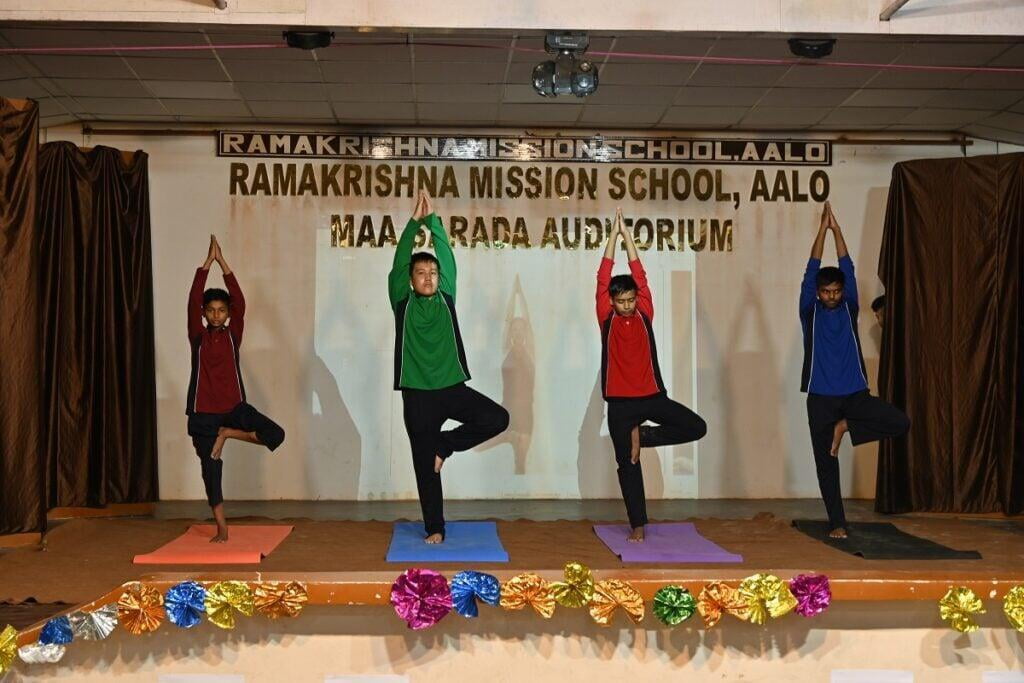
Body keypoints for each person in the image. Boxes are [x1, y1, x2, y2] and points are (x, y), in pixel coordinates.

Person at [389, 190, 509, 544]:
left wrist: (434, 221)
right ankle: (435, 528)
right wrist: (415, 224)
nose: (428, 278)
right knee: (424, 467)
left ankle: (446, 444)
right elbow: (399, 261)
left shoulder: (446, 296)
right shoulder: (402, 302)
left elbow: (447, 256)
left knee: (497, 418)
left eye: (432, 272)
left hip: (452, 389)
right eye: (421, 273)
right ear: (411, 279)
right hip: (417, 396)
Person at [597, 208, 707, 542]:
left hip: (652, 397)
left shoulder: (645, 313)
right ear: (611, 302)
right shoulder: (606, 318)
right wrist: (613, 237)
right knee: (627, 465)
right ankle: (638, 525)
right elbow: (603, 275)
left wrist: (628, 237)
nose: (627, 305)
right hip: (620, 404)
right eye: (621, 301)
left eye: (631, 300)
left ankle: (642, 435)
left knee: (696, 426)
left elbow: (639, 273)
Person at [800, 202, 909, 539]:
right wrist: (822, 230)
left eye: (836, 291)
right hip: (821, 399)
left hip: (854, 395)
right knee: (825, 463)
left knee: (900, 422)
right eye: (826, 292)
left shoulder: (850, 308)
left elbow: (846, 264)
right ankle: (838, 523)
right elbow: (811, 268)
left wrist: (838, 230)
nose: (832, 296)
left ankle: (846, 426)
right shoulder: (809, 312)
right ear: (818, 293)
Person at [186, 235, 285, 543]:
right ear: (204, 313)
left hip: (233, 410)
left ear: (228, 313)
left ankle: (227, 433)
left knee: (275, 434)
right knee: (211, 470)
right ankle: (222, 527)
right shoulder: (198, 337)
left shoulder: (233, 335)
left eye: (221, 310)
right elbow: (192, 299)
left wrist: (223, 262)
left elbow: (240, 300)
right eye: (211, 310)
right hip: (203, 414)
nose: (216, 314)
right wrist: (206, 264)